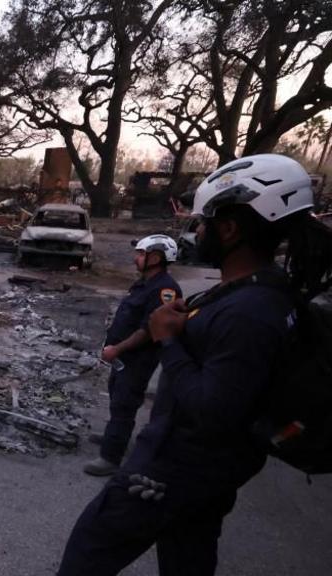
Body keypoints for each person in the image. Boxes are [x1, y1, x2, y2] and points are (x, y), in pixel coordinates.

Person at [58, 154, 332, 576]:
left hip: (172, 469)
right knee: (188, 561)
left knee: (87, 553)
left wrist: (168, 340)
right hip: (211, 477)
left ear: (229, 229)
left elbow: (210, 411)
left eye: (204, 222)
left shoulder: (249, 312)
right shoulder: (260, 292)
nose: (198, 230)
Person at [83, 234, 181, 477]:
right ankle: (113, 436)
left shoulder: (164, 289)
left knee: (125, 401)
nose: (136, 258)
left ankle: (110, 457)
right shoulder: (143, 283)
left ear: (156, 258)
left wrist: (117, 348)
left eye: (141, 254)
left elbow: (147, 330)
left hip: (138, 358)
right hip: (123, 356)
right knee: (117, 394)